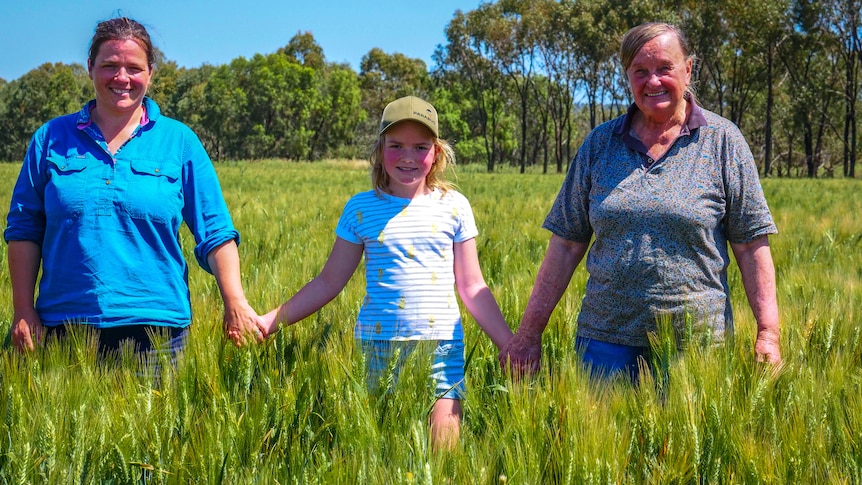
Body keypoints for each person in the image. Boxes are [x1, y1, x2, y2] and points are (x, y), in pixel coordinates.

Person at [500, 22, 781, 381]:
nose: (653, 81)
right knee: (600, 437)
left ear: (688, 69)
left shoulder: (723, 141)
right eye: (640, 71)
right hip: (605, 342)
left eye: (665, 68)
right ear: (627, 76)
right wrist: (528, 334)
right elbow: (566, 245)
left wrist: (768, 332)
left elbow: (751, 244)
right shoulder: (600, 143)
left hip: (696, 346)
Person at [5, 17, 265, 362]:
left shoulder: (179, 141)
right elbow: (24, 230)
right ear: (90, 68)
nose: (122, 78)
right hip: (63, 328)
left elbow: (216, 232)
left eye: (134, 67)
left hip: (158, 335)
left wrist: (235, 302)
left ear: (151, 72)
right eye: (109, 65)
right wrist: (23, 308)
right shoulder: (50, 138)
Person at [261, 95, 513, 449]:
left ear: (436, 153)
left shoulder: (453, 206)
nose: (408, 156)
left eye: (420, 147)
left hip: (440, 345)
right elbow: (329, 281)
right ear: (380, 150)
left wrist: (510, 344)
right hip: (376, 346)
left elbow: (472, 285)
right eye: (396, 146)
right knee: (379, 448)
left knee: (444, 450)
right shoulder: (361, 208)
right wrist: (270, 322)